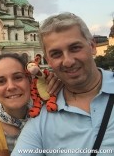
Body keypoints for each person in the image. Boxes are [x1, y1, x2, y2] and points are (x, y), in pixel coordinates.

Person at [12, 12, 114, 155]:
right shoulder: (43, 113)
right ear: (47, 60)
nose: (68, 61)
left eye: (75, 48)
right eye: (56, 54)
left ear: (92, 46)